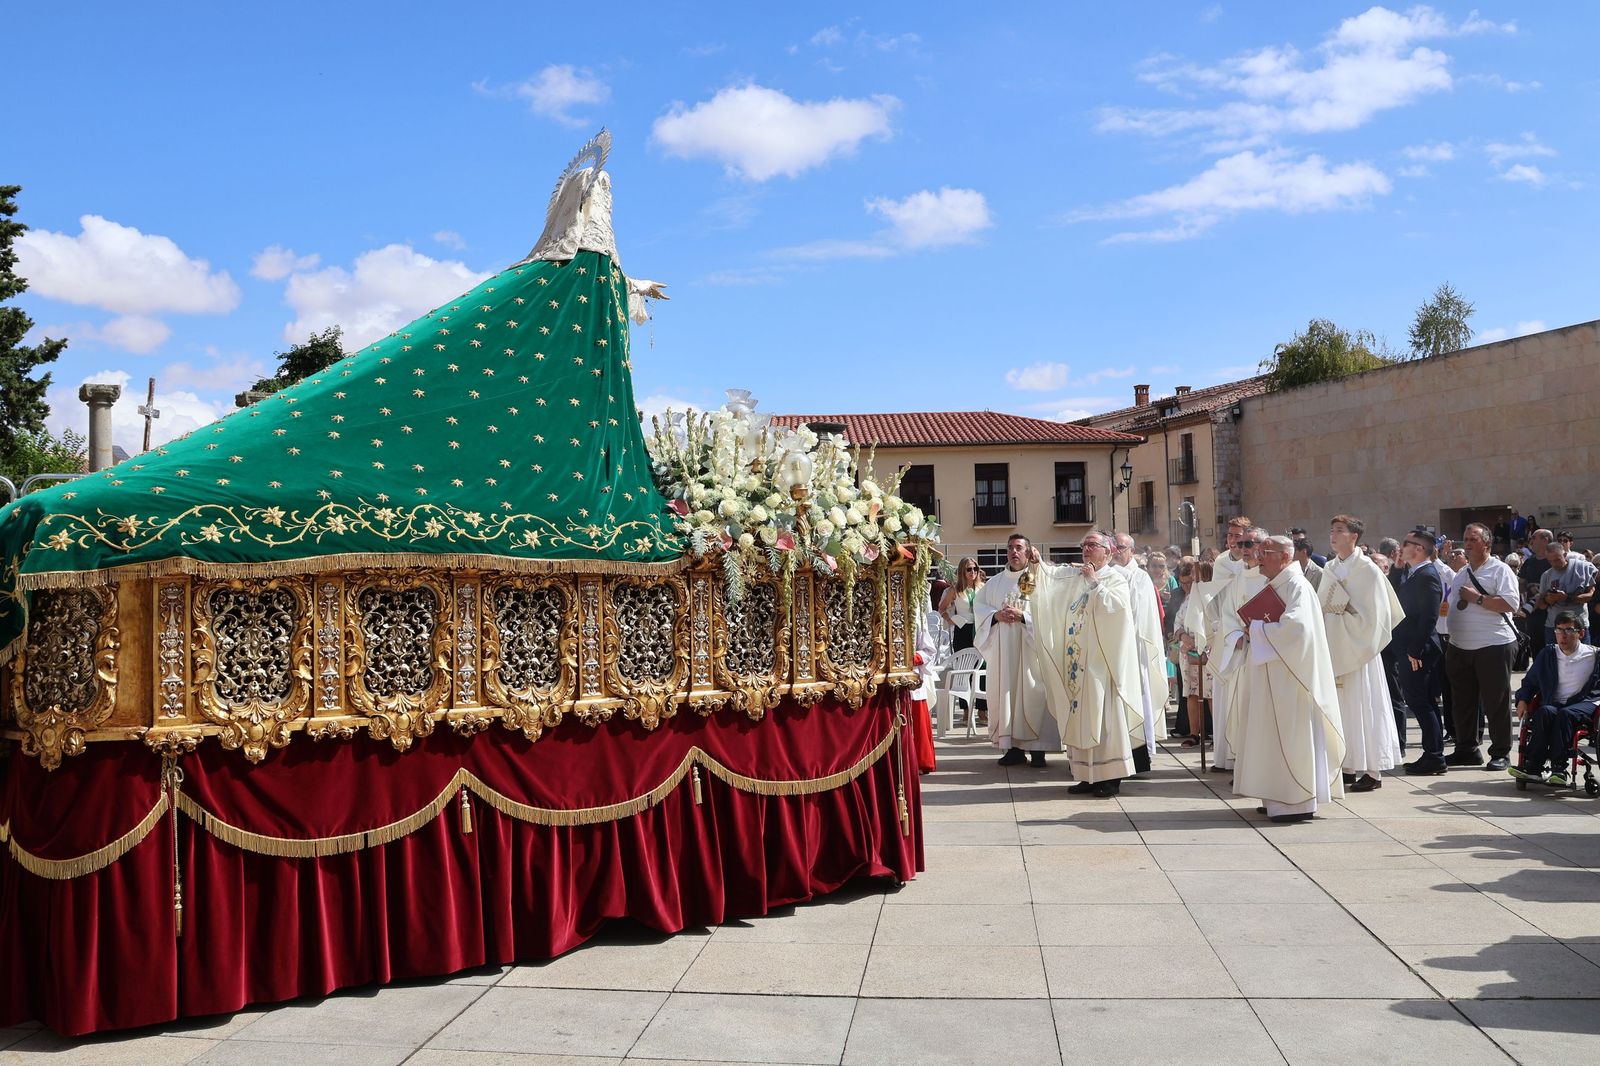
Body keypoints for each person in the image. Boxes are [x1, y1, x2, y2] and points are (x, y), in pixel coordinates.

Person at [1218, 535, 1345, 823]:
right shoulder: (1272, 585)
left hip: (1291, 679)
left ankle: (1294, 802)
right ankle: (1273, 795)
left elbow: (1297, 630)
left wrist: (1258, 630)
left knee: (1289, 736)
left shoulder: (1297, 586)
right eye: (1259, 551)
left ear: (1285, 557)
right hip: (1269, 674)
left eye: (1266, 552)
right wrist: (1246, 632)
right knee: (1268, 736)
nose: (1258, 557)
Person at [1028, 532, 1144, 796]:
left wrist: (1094, 584)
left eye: (1092, 545)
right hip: (1078, 662)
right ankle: (1087, 775)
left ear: (1109, 551)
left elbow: (1117, 611)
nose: (1086, 549)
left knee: (1104, 720)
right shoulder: (1077, 576)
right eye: (1084, 545)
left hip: (1102, 664)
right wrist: (1037, 564)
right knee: (1080, 717)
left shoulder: (1115, 578)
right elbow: (1053, 577)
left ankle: (1110, 778)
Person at [1320, 515, 1404, 792]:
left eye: (1340, 531)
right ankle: (1345, 765)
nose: (1333, 535)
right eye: (1332, 530)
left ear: (1353, 537)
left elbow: (1378, 616)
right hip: (1335, 647)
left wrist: (1345, 615)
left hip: (1360, 651)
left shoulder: (1367, 570)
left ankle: (1372, 770)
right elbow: (1323, 606)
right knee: (1342, 709)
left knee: (1365, 707)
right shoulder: (1330, 568)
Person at [976, 534, 1059, 767]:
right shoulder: (994, 583)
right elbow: (980, 609)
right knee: (1007, 695)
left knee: (1034, 692)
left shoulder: (1039, 580)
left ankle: (1038, 750)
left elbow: (1050, 611)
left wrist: (1025, 617)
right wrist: (995, 616)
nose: (1014, 552)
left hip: (1031, 650)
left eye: (1019, 548)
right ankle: (1012, 748)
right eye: (1010, 548)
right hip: (1004, 651)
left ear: (1028, 552)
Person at [1445, 523, 1521, 772]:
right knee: (1463, 702)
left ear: (1487, 544)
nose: (1467, 543)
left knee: (1495, 702)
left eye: (1473, 539)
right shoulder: (1462, 573)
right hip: (1460, 646)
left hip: (1493, 645)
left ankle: (1500, 752)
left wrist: (1476, 598)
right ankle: (1466, 749)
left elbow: (1511, 603)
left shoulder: (1500, 570)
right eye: (1465, 538)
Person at [1509, 611, 1600, 787]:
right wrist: (1522, 699)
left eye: (1568, 630)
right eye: (1559, 630)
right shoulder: (1548, 654)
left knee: (1566, 714)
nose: (1562, 636)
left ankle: (1559, 768)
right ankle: (1533, 766)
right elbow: (1530, 681)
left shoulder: (1595, 656)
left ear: (1581, 633)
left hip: (1584, 704)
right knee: (1544, 712)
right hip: (1554, 702)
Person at [1205, 525, 1267, 773]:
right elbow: (1227, 611)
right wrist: (1234, 635)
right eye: (1240, 545)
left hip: (1264, 651)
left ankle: (1255, 764)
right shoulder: (1239, 576)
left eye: (1248, 545)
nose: (1243, 549)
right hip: (1240, 650)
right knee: (1238, 708)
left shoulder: (1270, 576)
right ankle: (1238, 759)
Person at [1113, 533, 1170, 768]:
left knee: (1138, 701)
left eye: (1121, 547)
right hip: (1113, 648)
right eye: (1113, 547)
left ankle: (1139, 757)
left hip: (1135, 650)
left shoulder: (1141, 578)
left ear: (1131, 550)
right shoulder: (1106, 575)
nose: (1116, 551)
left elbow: (1143, 615)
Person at [1395, 532, 1447, 774]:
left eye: (1405, 544)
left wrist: (1414, 650)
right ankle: (1433, 754)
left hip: (1419, 649)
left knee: (1419, 701)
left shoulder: (1427, 575)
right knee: (1423, 701)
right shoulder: (1413, 572)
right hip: (1412, 646)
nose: (1401, 547)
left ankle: (1435, 756)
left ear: (1418, 549)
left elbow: (1429, 617)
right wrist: (1396, 570)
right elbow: (1397, 599)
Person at [1175, 560, 1215, 746]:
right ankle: (1194, 733)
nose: (1192, 579)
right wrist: (1183, 636)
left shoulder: (1214, 595)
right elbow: (1179, 622)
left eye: (1195, 575)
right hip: (1189, 652)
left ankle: (1216, 732)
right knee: (1192, 693)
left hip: (1210, 652)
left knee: (1212, 694)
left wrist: (1206, 645)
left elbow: (1216, 624)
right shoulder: (1188, 599)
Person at [1535, 539, 1597, 646]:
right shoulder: (1546, 575)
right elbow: (1541, 605)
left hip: (1578, 625)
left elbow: (1590, 595)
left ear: (1565, 554)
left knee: (1583, 660)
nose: (1554, 564)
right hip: (1554, 627)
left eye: (1557, 560)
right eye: (1550, 561)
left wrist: (1567, 597)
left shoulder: (1582, 568)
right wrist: (1547, 600)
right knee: (1555, 661)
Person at [939, 557, 985, 652]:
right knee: (963, 662)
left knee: (980, 663)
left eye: (975, 568)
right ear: (962, 571)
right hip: (962, 629)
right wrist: (949, 620)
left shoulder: (982, 587)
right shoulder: (954, 590)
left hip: (979, 628)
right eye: (969, 569)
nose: (973, 572)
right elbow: (942, 608)